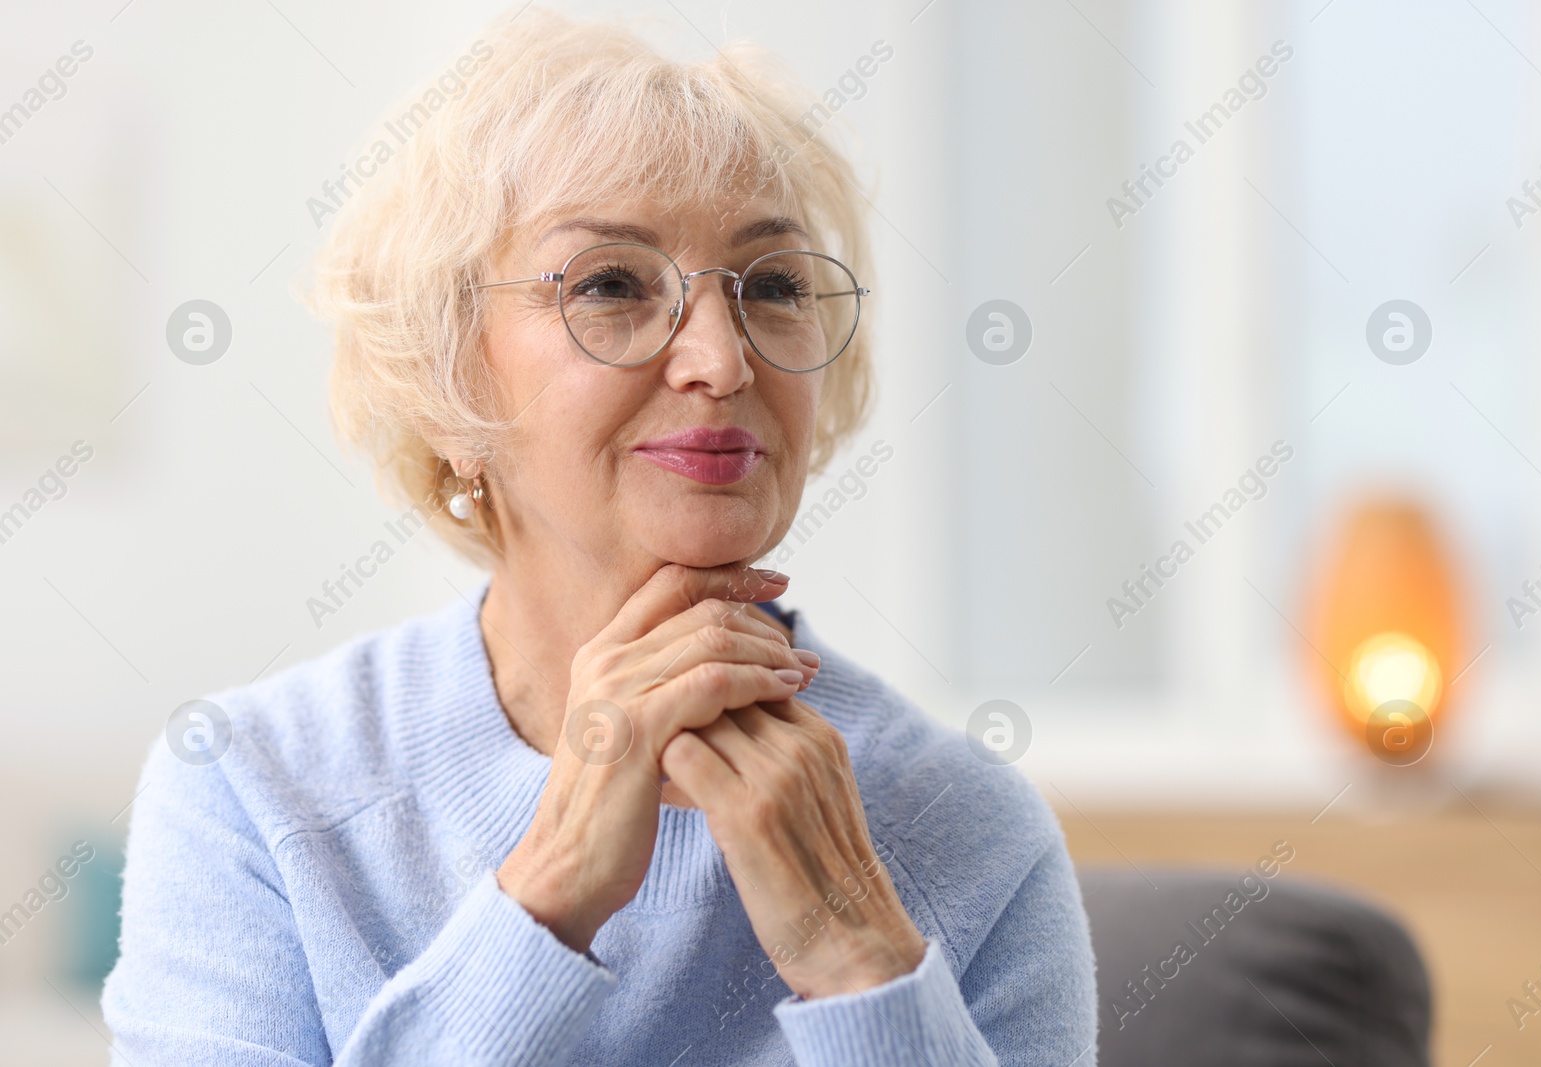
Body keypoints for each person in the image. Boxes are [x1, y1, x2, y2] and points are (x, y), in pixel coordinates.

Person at [102, 8, 1097, 1064]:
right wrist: (552, 885)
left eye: (771, 286)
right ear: (449, 376)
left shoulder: (971, 826)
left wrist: (866, 964)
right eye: (612, 286)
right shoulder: (253, 785)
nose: (720, 359)